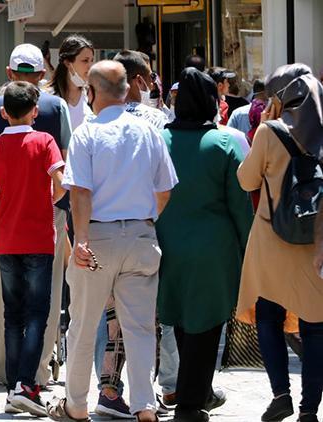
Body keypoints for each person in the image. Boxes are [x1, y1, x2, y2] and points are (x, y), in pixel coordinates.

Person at [47, 60, 178, 422]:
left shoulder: (87, 133)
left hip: (99, 237)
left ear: (91, 93)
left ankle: (76, 404)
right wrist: (146, 219)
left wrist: (82, 239)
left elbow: (80, 193)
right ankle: (145, 405)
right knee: (139, 327)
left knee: (84, 325)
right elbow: (165, 189)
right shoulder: (148, 131)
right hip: (141, 235)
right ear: (125, 91)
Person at [0, 43, 73, 393]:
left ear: (9, 75)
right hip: (44, 220)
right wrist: (55, 203)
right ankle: (36, 373)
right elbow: (66, 170)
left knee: (6, 299)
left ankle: (5, 371)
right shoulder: (54, 112)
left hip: (4, 218)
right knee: (47, 298)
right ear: (43, 78)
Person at [157, 68, 253, 422]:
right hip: (214, 249)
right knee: (207, 325)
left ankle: (193, 393)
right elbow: (241, 205)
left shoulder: (160, 139)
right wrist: (250, 250)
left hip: (166, 243)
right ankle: (190, 403)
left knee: (181, 322)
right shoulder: (224, 143)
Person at [237, 64, 323, 422]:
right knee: (316, 326)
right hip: (316, 239)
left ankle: (280, 395)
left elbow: (246, 180)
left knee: (268, 317)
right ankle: (309, 410)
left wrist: (262, 129)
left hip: (272, 238)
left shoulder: (269, 132)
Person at [46, 34, 95, 130]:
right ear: (68, 63)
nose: (90, 66)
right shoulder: (49, 97)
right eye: (85, 61)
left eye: (91, 60)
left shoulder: (92, 96)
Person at [117, 50, 169, 130]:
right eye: (151, 77)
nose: (153, 83)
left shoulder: (101, 119)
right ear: (139, 81)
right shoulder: (157, 118)